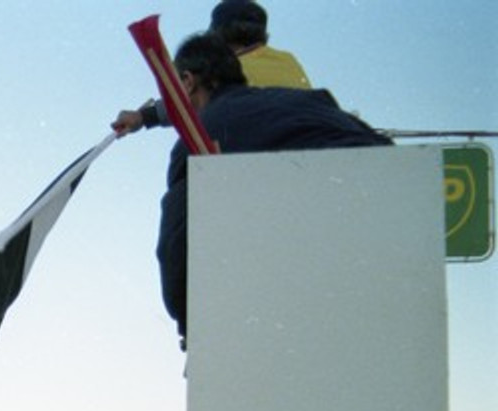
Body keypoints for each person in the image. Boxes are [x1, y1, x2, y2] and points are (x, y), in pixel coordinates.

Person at [154, 33, 391, 347]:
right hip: (384, 239)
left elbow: (175, 247)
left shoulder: (201, 136)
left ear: (187, 81)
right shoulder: (310, 101)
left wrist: (189, 323)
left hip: (299, 296)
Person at [112, 1, 311, 136]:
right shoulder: (288, 61)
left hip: (253, 155)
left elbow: (184, 99)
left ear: (218, 36)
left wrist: (141, 117)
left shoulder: (228, 69)